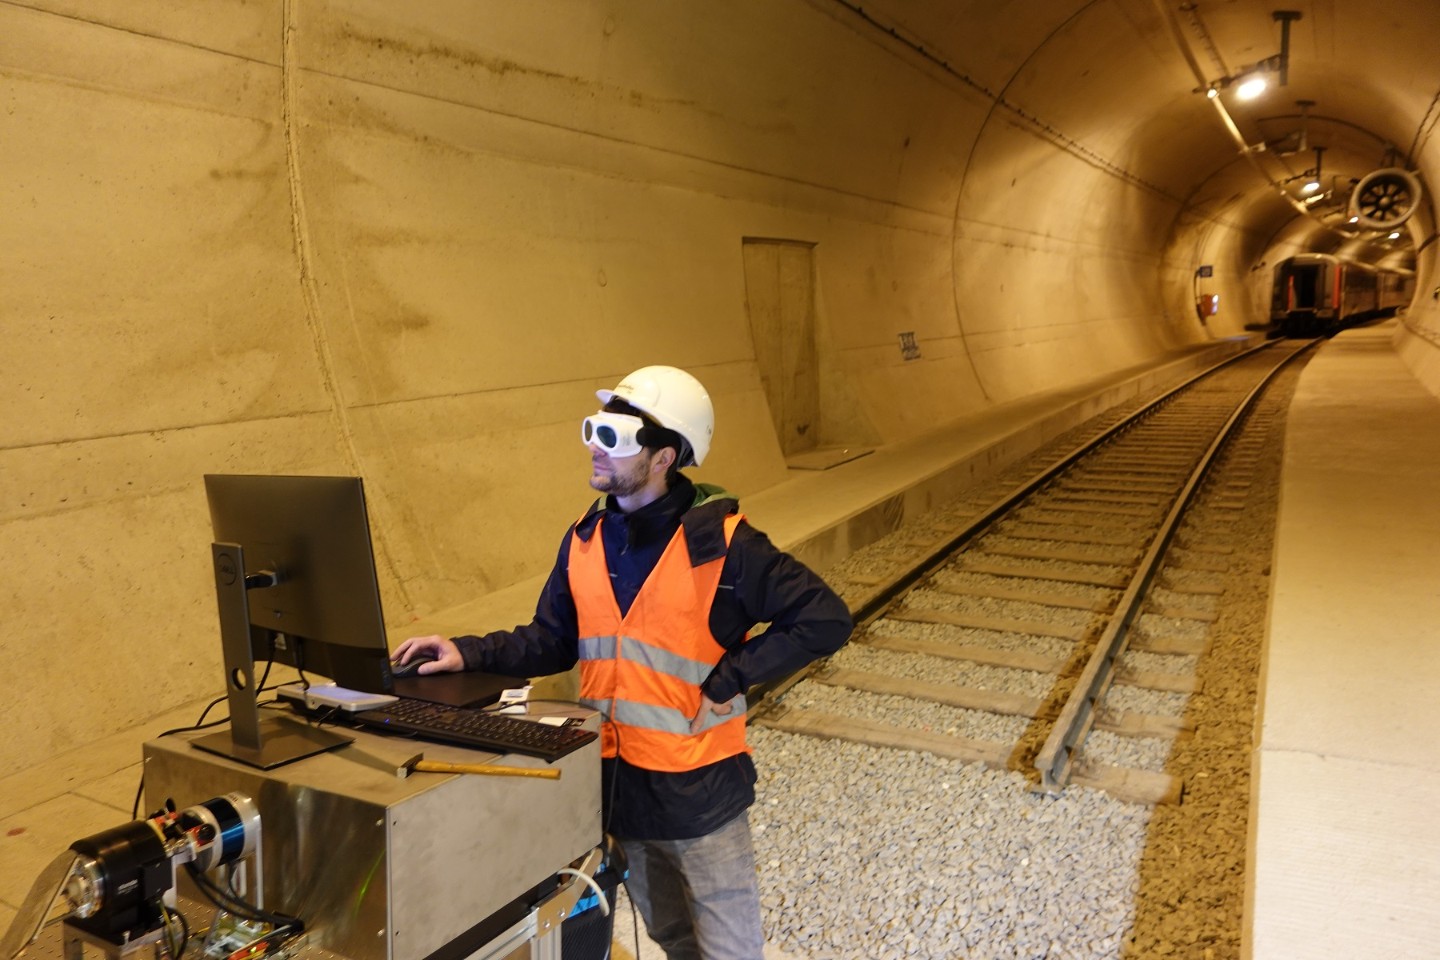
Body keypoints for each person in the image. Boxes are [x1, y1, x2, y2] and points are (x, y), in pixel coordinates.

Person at [393, 364, 852, 960]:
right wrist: (467, 651)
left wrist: (732, 676)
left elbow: (825, 619)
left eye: (613, 437)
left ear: (663, 457)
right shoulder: (586, 538)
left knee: (730, 951)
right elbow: (552, 638)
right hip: (619, 791)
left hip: (701, 796)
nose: (595, 446)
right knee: (671, 937)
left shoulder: (726, 545)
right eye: (593, 430)